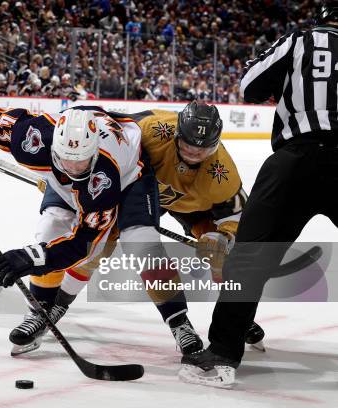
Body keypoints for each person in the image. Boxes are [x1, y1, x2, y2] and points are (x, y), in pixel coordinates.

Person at [0, 105, 203, 356]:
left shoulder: (104, 177)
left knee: (142, 242)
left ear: (94, 152)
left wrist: (32, 259)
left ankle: (178, 320)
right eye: (68, 160)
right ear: (53, 148)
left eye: (82, 162)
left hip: (132, 173)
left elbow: (86, 244)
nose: (75, 168)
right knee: (51, 226)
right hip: (74, 167)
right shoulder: (33, 137)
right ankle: (40, 309)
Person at [15, 101, 265, 355]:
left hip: (192, 206)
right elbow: (100, 133)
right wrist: (65, 181)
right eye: (187, 144)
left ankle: (236, 316)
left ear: (215, 145)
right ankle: (55, 305)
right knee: (97, 245)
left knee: (222, 256)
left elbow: (238, 217)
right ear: (177, 133)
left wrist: (223, 236)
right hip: (133, 189)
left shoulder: (221, 173)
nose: (192, 152)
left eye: (202, 149)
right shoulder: (153, 129)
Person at [180, 2, 338, 387]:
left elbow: (250, 85)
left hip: (296, 161)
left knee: (249, 258)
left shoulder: (301, 40)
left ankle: (222, 354)